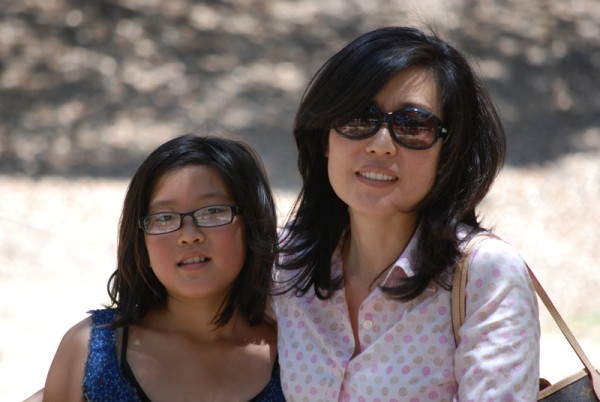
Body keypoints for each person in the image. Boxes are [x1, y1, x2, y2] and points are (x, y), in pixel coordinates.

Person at [273, 26, 540, 401]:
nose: (380, 145)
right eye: (357, 117)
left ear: (447, 154)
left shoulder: (488, 275)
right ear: (325, 139)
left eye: (413, 125)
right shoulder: (285, 263)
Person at [43, 134, 285, 401]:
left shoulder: (298, 353)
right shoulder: (90, 349)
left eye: (212, 211)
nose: (189, 235)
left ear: (253, 223)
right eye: (165, 217)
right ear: (141, 241)